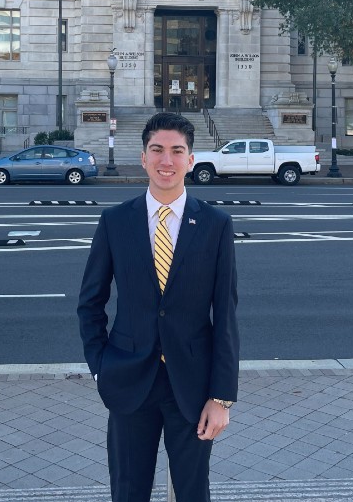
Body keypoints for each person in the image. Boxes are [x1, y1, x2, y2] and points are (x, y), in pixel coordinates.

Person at [78, 112, 239, 502]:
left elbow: (227, 315)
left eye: (176, 151)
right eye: (158, 150)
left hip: (194, 385)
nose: (167, 161)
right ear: (144, 157)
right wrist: (101, 368)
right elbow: (90, 302)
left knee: (192, 493)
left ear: (190, 159)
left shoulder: (216, 224)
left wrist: (221, 397)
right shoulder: (116, 221)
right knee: (128, 491)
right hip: (130, 380)